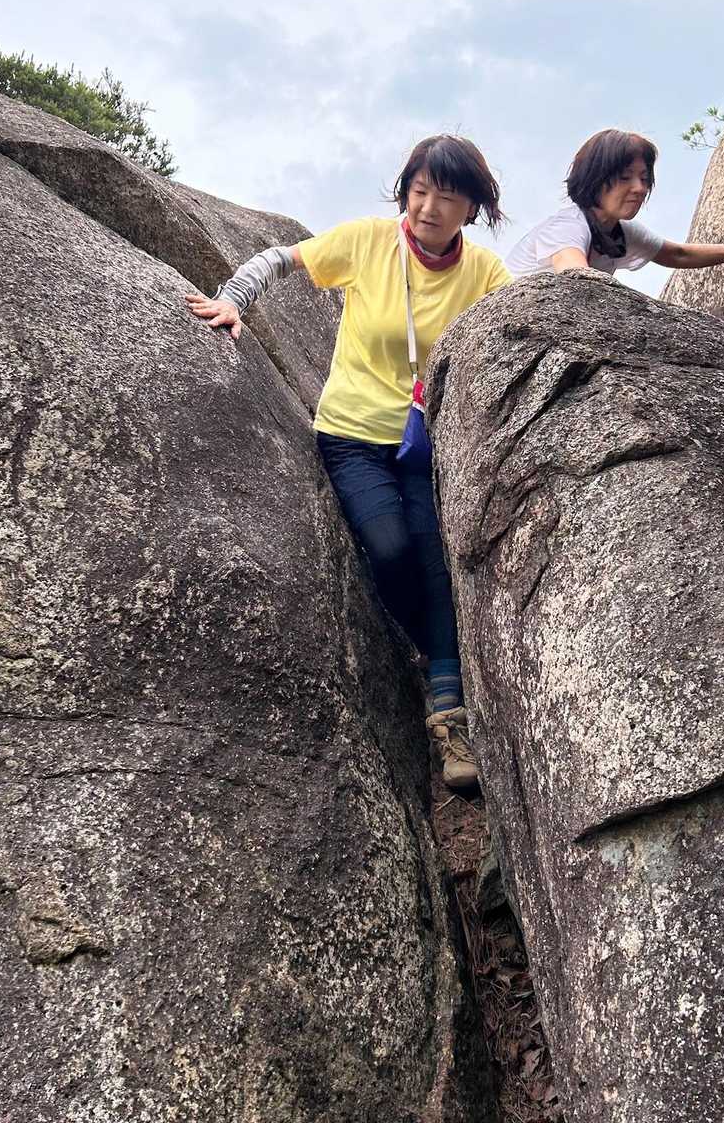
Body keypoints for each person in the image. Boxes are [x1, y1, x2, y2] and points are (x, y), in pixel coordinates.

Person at [184, 136, 510, 790]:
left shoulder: (484, 274)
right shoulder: (368, 242)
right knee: (390, 550)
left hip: (428, 445)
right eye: (418, 191)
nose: (427, 207)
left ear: (472, 208)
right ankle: (438, 656)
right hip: (353, 434)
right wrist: (233, 299)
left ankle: (450, 718)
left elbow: (516, 333)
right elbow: (282, 258)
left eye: (446, 197)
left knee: (435, 560)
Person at [505, 128, 724, 278]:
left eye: (644, 178)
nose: (639, 188)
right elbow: (576, 275)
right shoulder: (568, 226)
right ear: (595, 179)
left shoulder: (618, 231)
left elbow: (677, 254)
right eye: (625, 177)